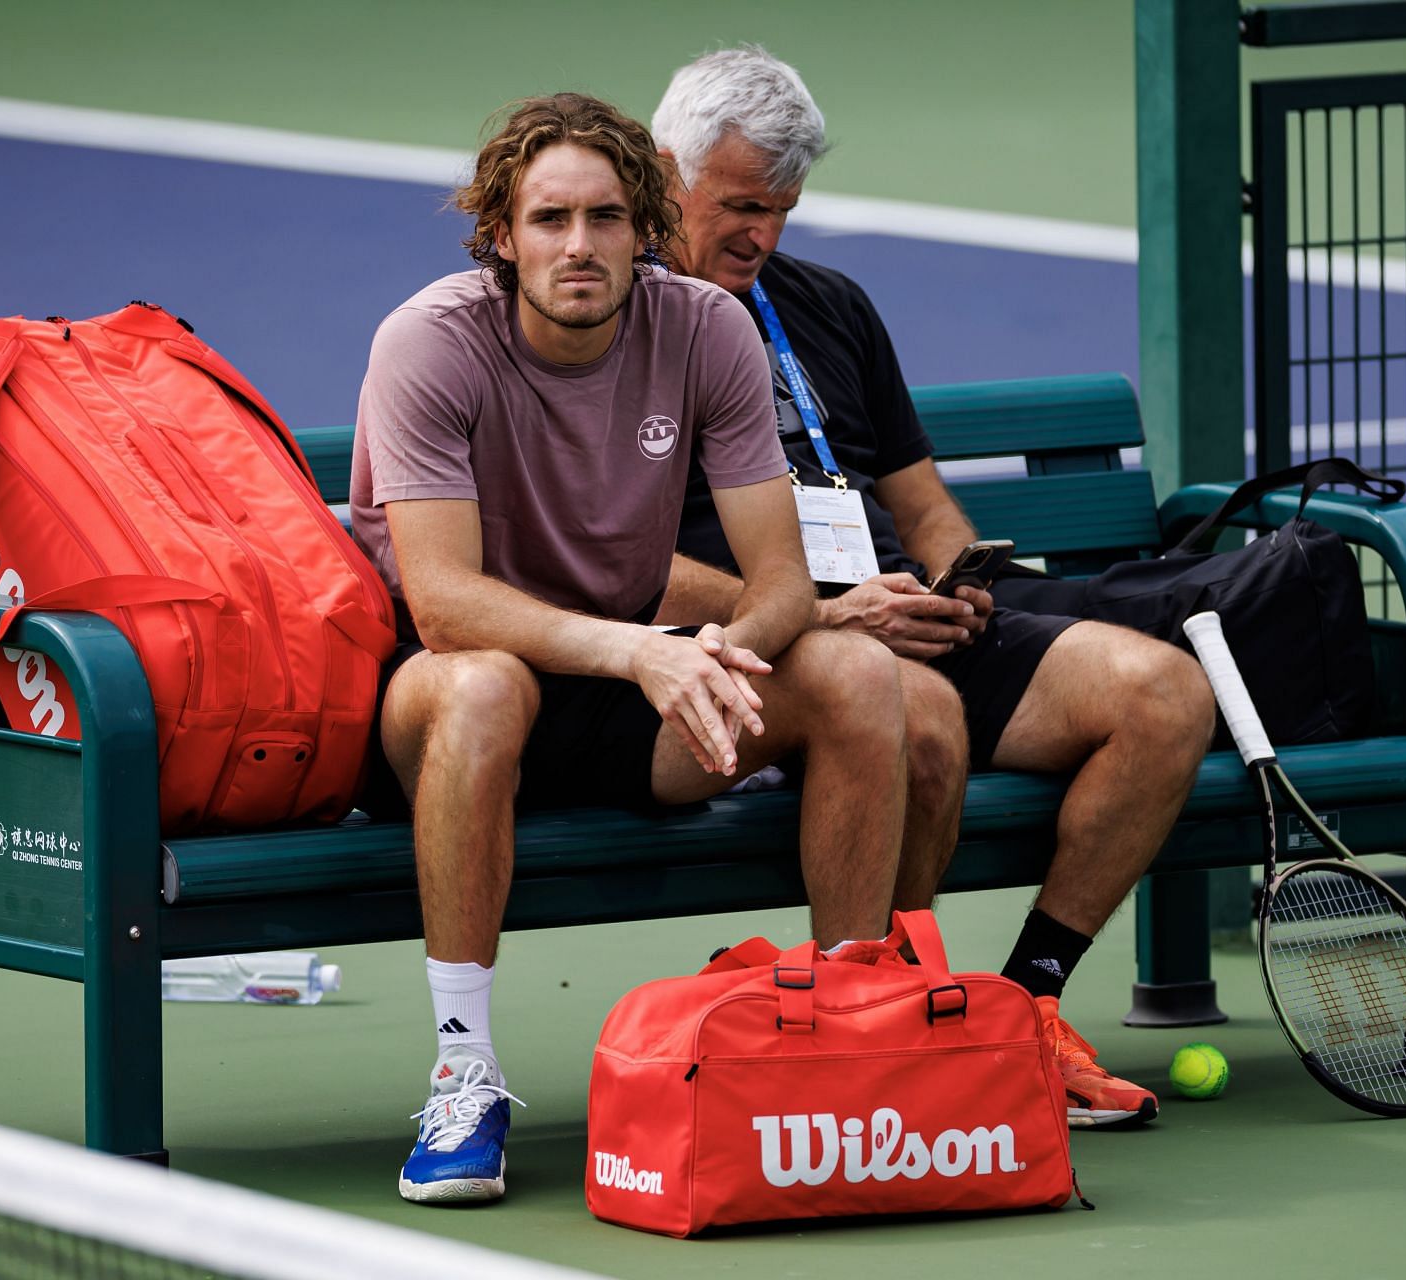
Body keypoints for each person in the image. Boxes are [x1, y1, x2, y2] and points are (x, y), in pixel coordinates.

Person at [351, 92, 945, 1205]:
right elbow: (442, 605)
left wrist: (720, 653)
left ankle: (839, 1040)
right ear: (500, 233)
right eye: (549, 219)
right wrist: (643, 650)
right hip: (446, 706)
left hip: (642, 692)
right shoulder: (428, 342)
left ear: (645, 229)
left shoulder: (706, 329)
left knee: (858, 668)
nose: (579, 245)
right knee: (483, 688)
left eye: (608, 218)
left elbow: (777, 582)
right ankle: (464, 1072)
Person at [650, 47, 1216, 1129]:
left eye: (781, 209)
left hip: (898, 617)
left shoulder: (827, 304)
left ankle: (1025, 1006)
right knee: (920, 718)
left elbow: (920, 498)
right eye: (738, 205)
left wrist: (956, 580)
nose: (760, 236)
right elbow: (615, 560)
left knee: (1165, 694)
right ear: (664, 170)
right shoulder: (614, 328)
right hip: (761, 641)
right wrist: (823, 612)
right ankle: (877, 1025)